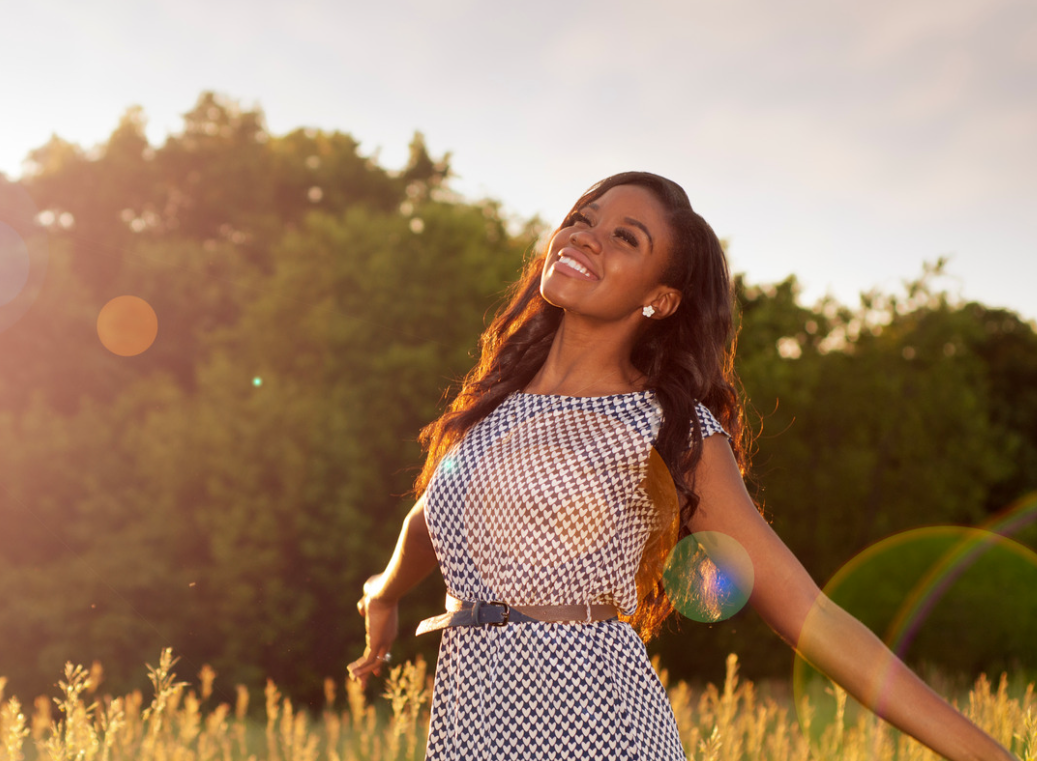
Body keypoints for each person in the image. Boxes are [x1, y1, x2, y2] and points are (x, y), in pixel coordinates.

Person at [346, 172, 1016, 761]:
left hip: (594, 724)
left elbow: (807, 611)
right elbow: (436, 510)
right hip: (470, 720)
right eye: (582, 219)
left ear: (660, 299)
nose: (585, 236)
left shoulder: (668, 430)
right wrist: (385, 592)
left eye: (623, 237)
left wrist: (983, 754)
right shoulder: (491, 409)